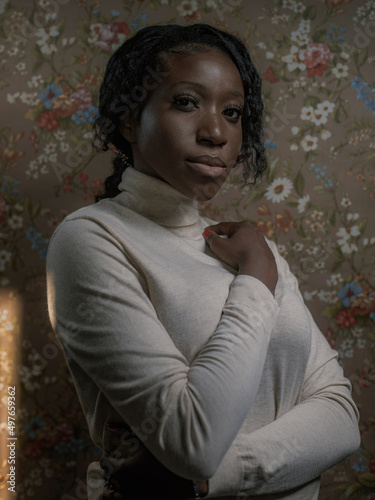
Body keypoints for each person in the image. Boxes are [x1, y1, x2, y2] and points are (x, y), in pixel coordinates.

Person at [46, 24, 360, 500]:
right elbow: (193, 440)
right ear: (130, 120)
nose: (216, 132)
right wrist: (254, 281)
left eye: (232, 112)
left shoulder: (253, 248)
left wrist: (210, 480)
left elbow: (341, 416)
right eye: (187, 102)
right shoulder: (91, 240)